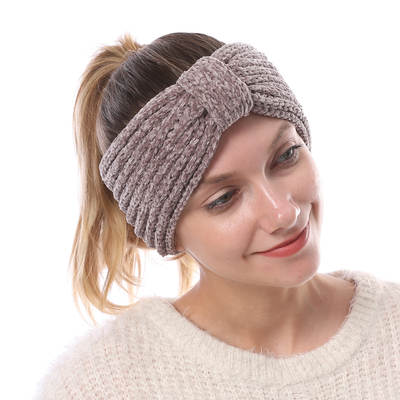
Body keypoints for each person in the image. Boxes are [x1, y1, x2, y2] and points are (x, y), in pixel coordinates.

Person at [34, 31, 400, 399]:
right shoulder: (100, 386)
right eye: (224, 198)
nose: (284, 213)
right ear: (160, 231)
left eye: (286, 156)